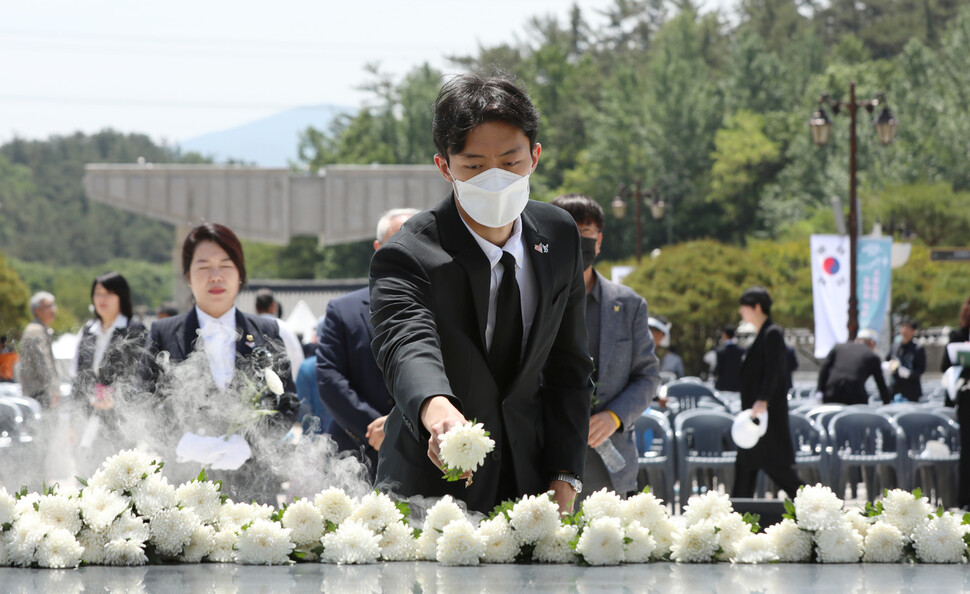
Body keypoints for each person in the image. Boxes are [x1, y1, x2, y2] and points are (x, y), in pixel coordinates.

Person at [368, 73, 594, 514]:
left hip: (533, 486)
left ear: (535, 157)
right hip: (432, 488)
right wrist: (438, 412)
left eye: (510, 162)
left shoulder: (560, 235)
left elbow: (570, 366)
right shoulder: (408, 253)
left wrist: (566, 472)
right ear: (444, 167)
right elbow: (406, 344)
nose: (494, 179)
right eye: (473, 166)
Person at [139, 222, 298, 503]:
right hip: (184, 490)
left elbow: (287, 405)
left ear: (240, 274)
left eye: (225, 266)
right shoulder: (162, 334)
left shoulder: (267, 332)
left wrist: (249, 445)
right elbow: (142, 401)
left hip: (254, 489)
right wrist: (182, 442)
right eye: (203, 267)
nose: (215, 276)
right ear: (188, 276)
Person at [551, 194, 660, 499]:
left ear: (599, 241)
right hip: (543, 453)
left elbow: (648, 376)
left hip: (607, 457)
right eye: (567, 232)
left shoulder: (628, 304)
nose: (578, 241)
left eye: (585, 233)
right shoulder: (531, 298)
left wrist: (614, 416)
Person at [316, 208, 417, 479]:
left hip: (422, 452)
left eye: (417, 245)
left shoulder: (448, 307)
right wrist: (373, 427)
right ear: (377, 248)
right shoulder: (342, 310)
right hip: (354, 454)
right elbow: (329, 378)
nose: (408, 255)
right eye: (397, 244)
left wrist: (400, 426)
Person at [70, 272, 147, 473]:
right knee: (86, 477)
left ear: (121, 296)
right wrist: (71, 422)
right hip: (87, 418)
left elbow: (142, 376)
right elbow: (77, 378)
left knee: (117, 478)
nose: (102, 299)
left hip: (120, 422)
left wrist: (118, 397)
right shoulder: (88, 330)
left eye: (109, 293)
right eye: (98, 293)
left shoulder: (134, 330)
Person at [731, 287, 802, 499]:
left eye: (744, 307)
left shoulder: (772, 333)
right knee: (746, 468)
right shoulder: (763, 334)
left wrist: (762, 399)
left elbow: (774, 371)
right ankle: (736, 519)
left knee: (779, 471)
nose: (741, 312)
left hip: (765, 416)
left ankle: (819, 509)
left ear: (757, 307)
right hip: (757, 417)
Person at [942, 296, 970, 509]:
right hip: (966, 395)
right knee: (967, 450)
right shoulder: (957, 335)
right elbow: (945, 365)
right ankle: (965, 500)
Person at [816, 328, 891, 405]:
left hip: (831, 394)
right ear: (872, 343)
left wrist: (819, 391)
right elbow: (880, 383)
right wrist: (887, 402)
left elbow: (824, 369)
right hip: (855, 397)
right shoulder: (872, 356)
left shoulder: (838, 347)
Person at [19, 291, 61, 409]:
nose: (53, 310)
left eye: (54, 305)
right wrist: (53, 388)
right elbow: (43, 363)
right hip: (40, 393)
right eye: (49, 306)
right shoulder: (36, 331)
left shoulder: (37, 329)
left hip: (36, 392)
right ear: (37, 310)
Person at [255, 288, 305, 381]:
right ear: (273, 306)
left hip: (252, 387)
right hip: (281, 384)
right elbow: (297, 358)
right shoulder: (284, 327)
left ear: (256, 307)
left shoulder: (250, 327)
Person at [886, 318, 926, 402]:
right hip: (895, 388)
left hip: (911, 390)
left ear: (913, 331)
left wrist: (909, 374)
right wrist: (889, 366)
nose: (904, 330)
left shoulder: (918, 348)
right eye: (903, 327)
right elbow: (888, 360)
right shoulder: (894, 346)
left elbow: (921, 369)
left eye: (907, 327)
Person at [713, 324, 743, 392]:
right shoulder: (741, 351)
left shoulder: (720, 351)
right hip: (737, 386)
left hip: (723, 386)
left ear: (724, 334)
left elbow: (717, 369)